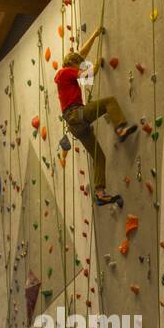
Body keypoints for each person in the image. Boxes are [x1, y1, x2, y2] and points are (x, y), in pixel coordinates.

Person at [54, 26, 137, 206]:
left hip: (76, 125)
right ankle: (121, 129)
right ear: (73, 65)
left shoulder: (65, 73)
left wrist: (94, 34)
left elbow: (81, 54)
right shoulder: (65, 71)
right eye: (79, 64)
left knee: (99, 157)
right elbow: (88, 74)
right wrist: (98, 63)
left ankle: (100, 193)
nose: (81, 65)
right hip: (76, 114)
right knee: (109, 102)